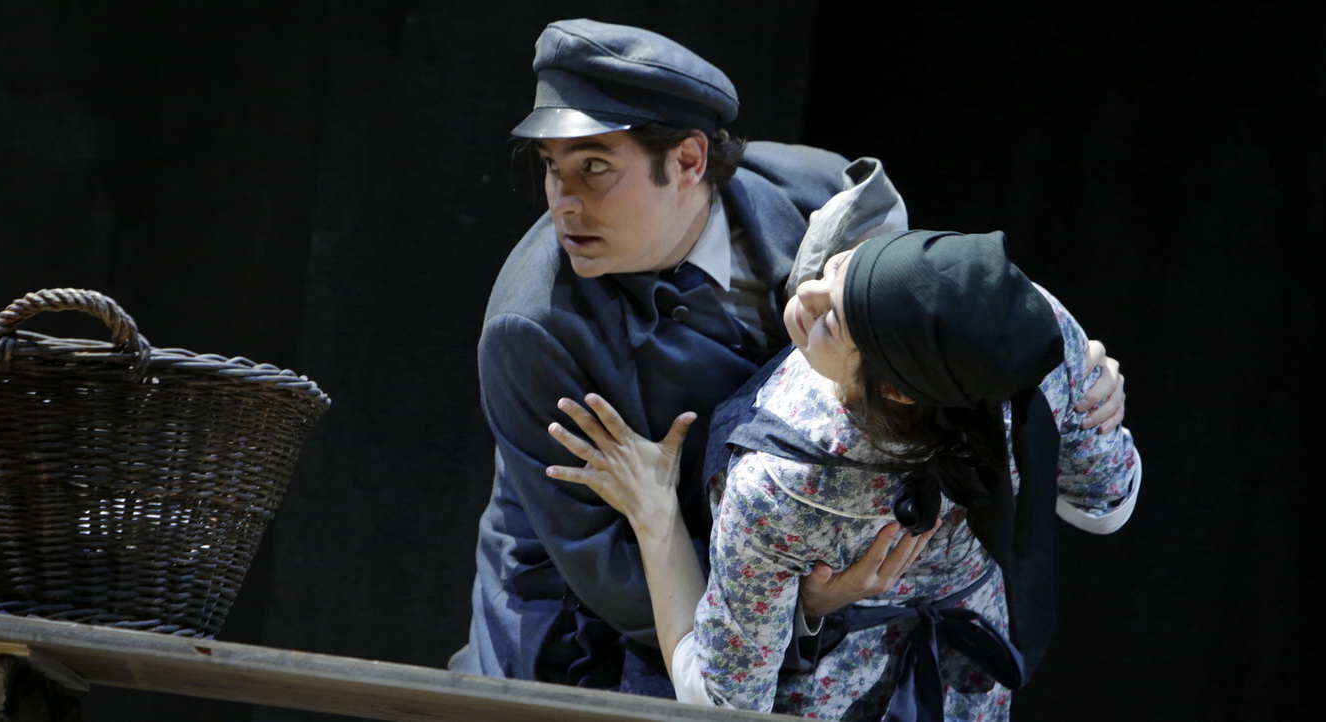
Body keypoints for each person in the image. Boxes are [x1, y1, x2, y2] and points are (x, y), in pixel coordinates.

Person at [450, 17, 1128, 696]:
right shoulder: (535, 327)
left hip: (820, 612)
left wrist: (1070, 377)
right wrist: (793, 605)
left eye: (594, 168)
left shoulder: (829, 194)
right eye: (551, 168)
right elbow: (604, 564)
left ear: (687, 161)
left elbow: (928, 362)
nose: (563, 204)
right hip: (610, 642)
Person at [545, 228, 1141, 719]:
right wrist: (1090, 393)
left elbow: (723, 703)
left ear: (893, 391)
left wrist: (656, 513)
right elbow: (1104, 506)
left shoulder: (782, 483)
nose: (807, 295)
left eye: (832, 321)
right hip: (968, 686)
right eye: (837, 268)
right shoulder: (1031, 332)